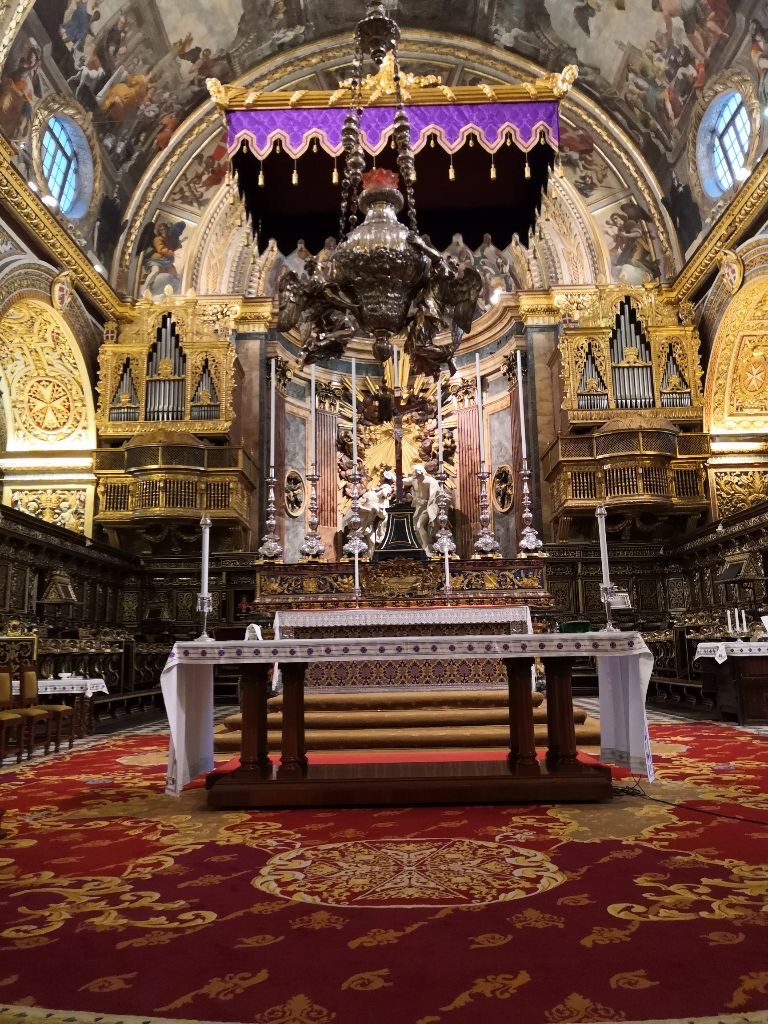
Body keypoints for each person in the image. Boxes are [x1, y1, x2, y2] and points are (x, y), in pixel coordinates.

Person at [405, 463, 440, 556]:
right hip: (417, 507)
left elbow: (434, 495)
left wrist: (429, 505)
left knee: (419, 525)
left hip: (426, 507)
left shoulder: (430, 481)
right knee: (416, 527)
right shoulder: (414, 480)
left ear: (419, 472)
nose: (413, 473)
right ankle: (420, 546)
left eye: (414, 471)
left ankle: (426, 547)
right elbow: (402, 481)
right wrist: (390, 475)